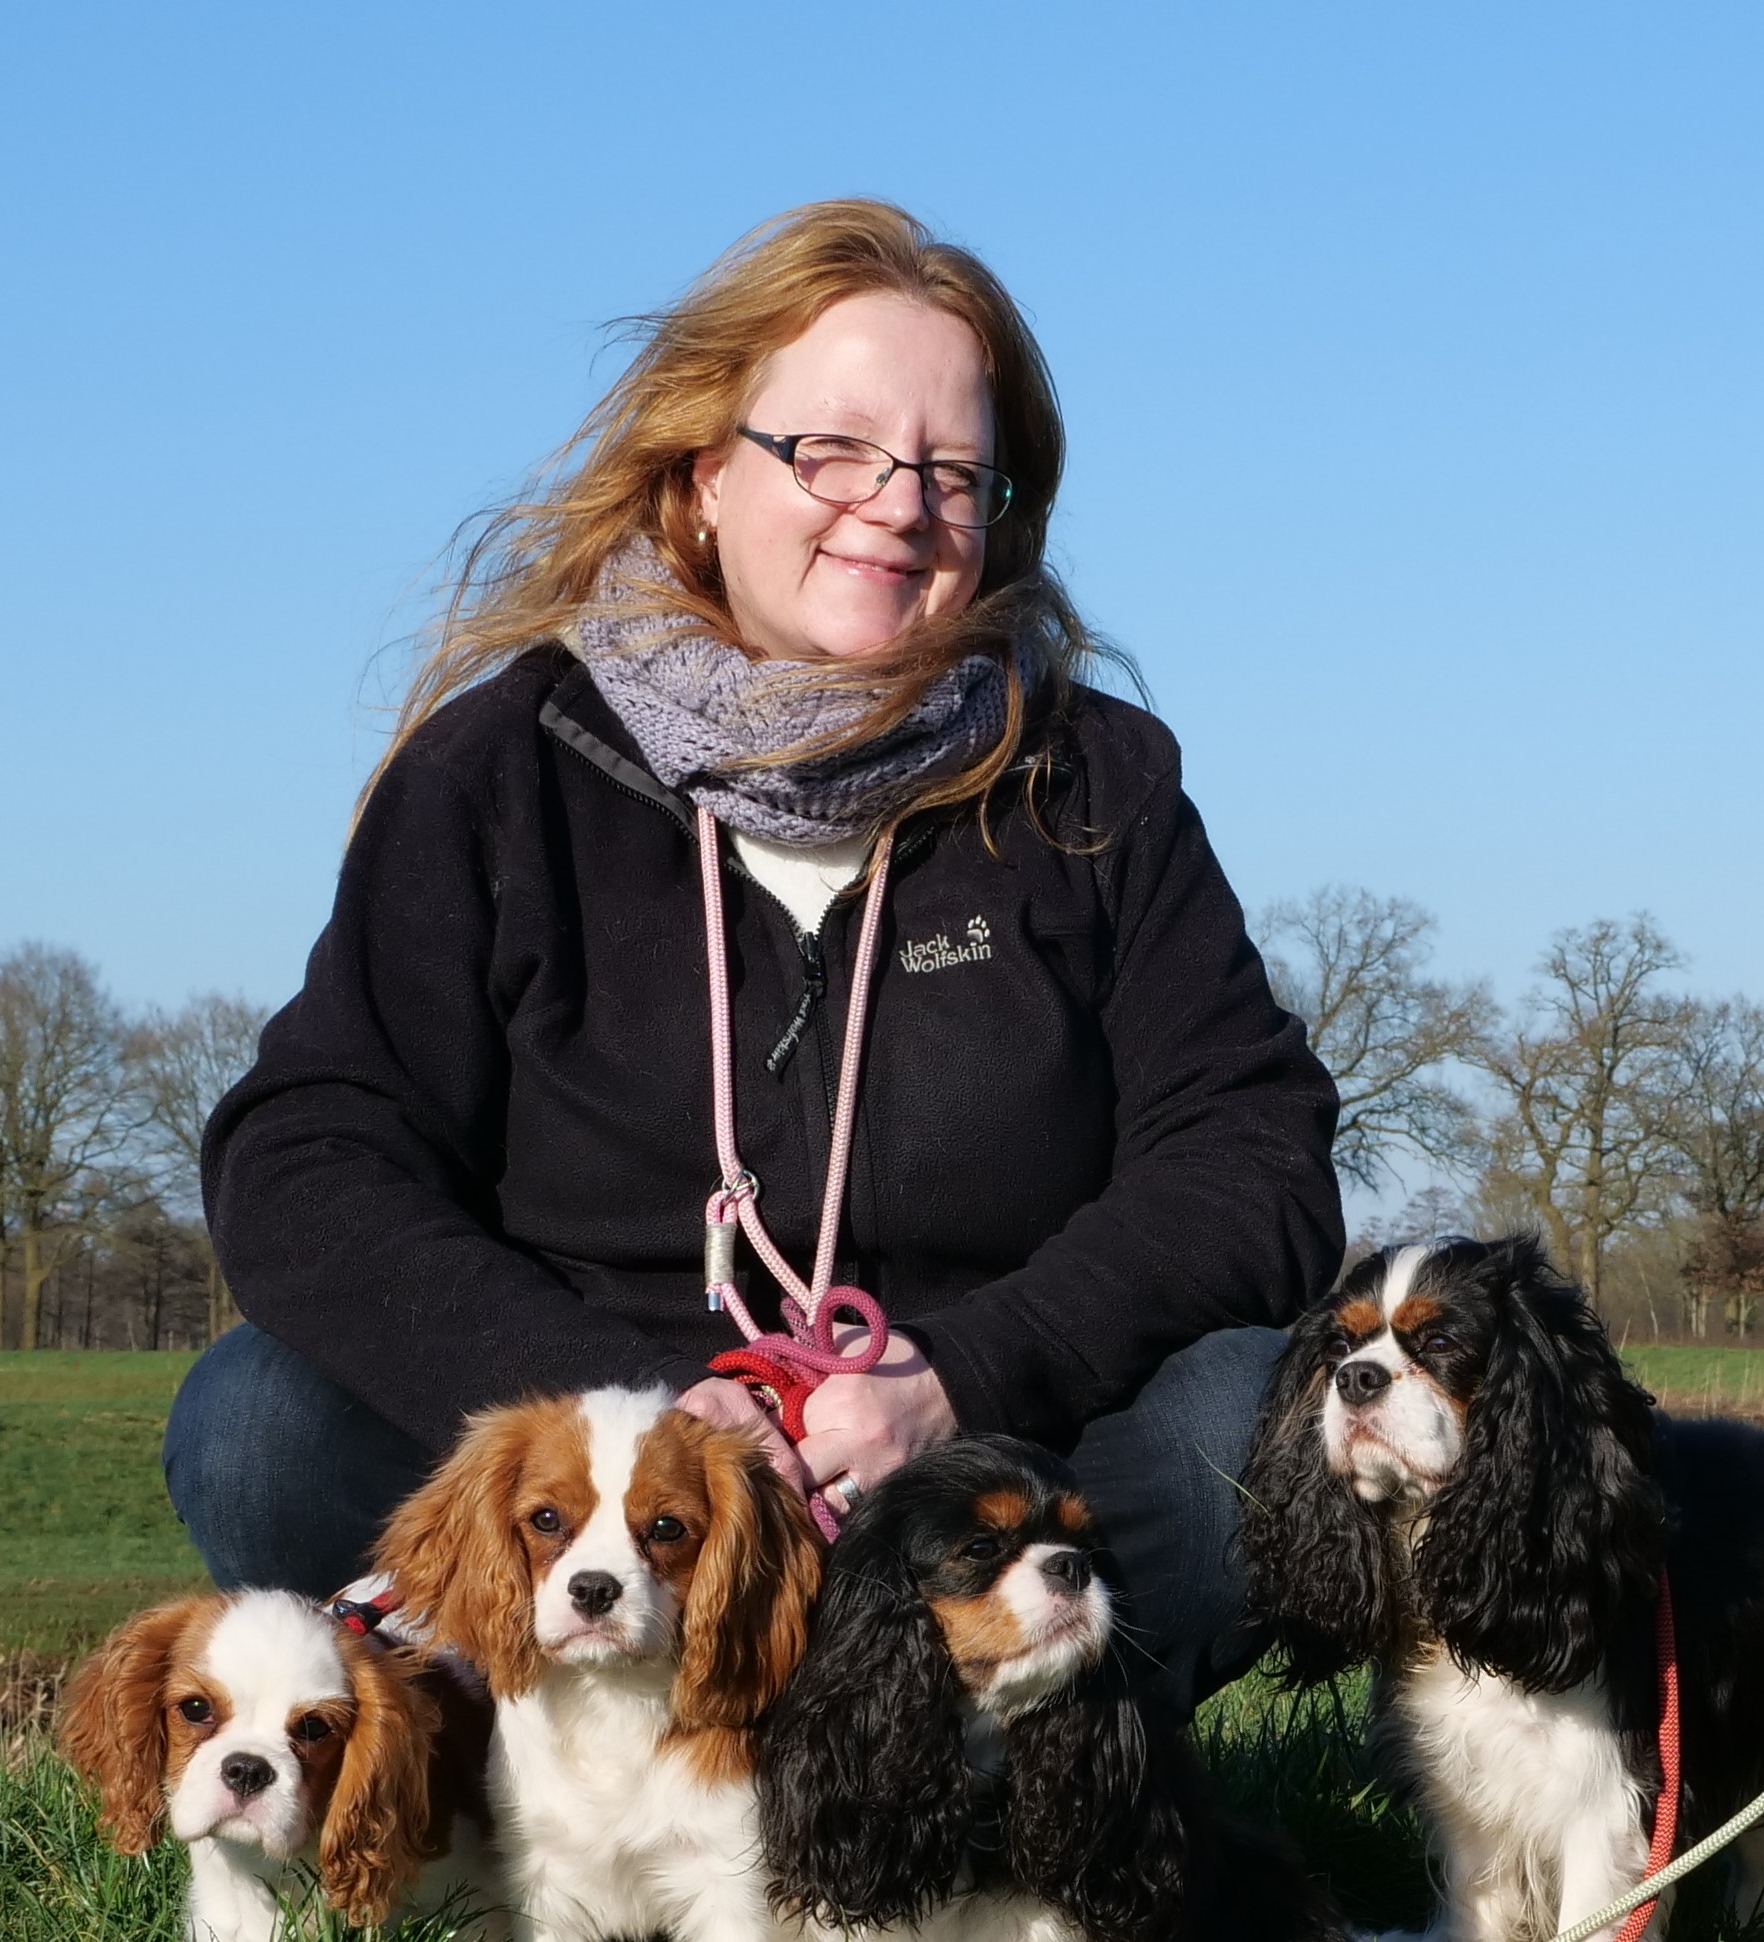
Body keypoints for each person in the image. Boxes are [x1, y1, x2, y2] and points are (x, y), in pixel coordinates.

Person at [166, 200, 1341, 1720]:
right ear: (705, 472)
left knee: (1251, 1421)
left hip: (969, 1481)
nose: (896, 504)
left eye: (950, 470)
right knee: (255, 1417)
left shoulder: (1089, 784)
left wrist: (959, 1377)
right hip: (606, 1504)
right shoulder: (501, 770)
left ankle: (1007, 1802)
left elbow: (1252, 1156)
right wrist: (629, 1414)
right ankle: (540, 1780)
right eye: (833, 451)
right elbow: (305, 1153)